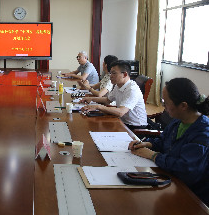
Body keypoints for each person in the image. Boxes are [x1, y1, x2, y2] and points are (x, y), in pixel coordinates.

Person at [129, 78, 209, 206]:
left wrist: (152, 155)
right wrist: (148, 144)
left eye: (165, 102)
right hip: (168, 179)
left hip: (191, 195)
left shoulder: (202, 134)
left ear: (183, 106)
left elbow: (185, 170)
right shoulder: (178, 121)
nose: (163, 106)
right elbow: (163, 141)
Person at [80, 60, 147, 129]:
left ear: (125, 74)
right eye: (110, 73)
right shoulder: (118, 85)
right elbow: (107, 100)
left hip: (136, 127)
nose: (110, 76)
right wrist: (91, 99)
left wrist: (98, 107)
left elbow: (121, 112)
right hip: (123, 122)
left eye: (114, 73)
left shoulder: (132, 89)